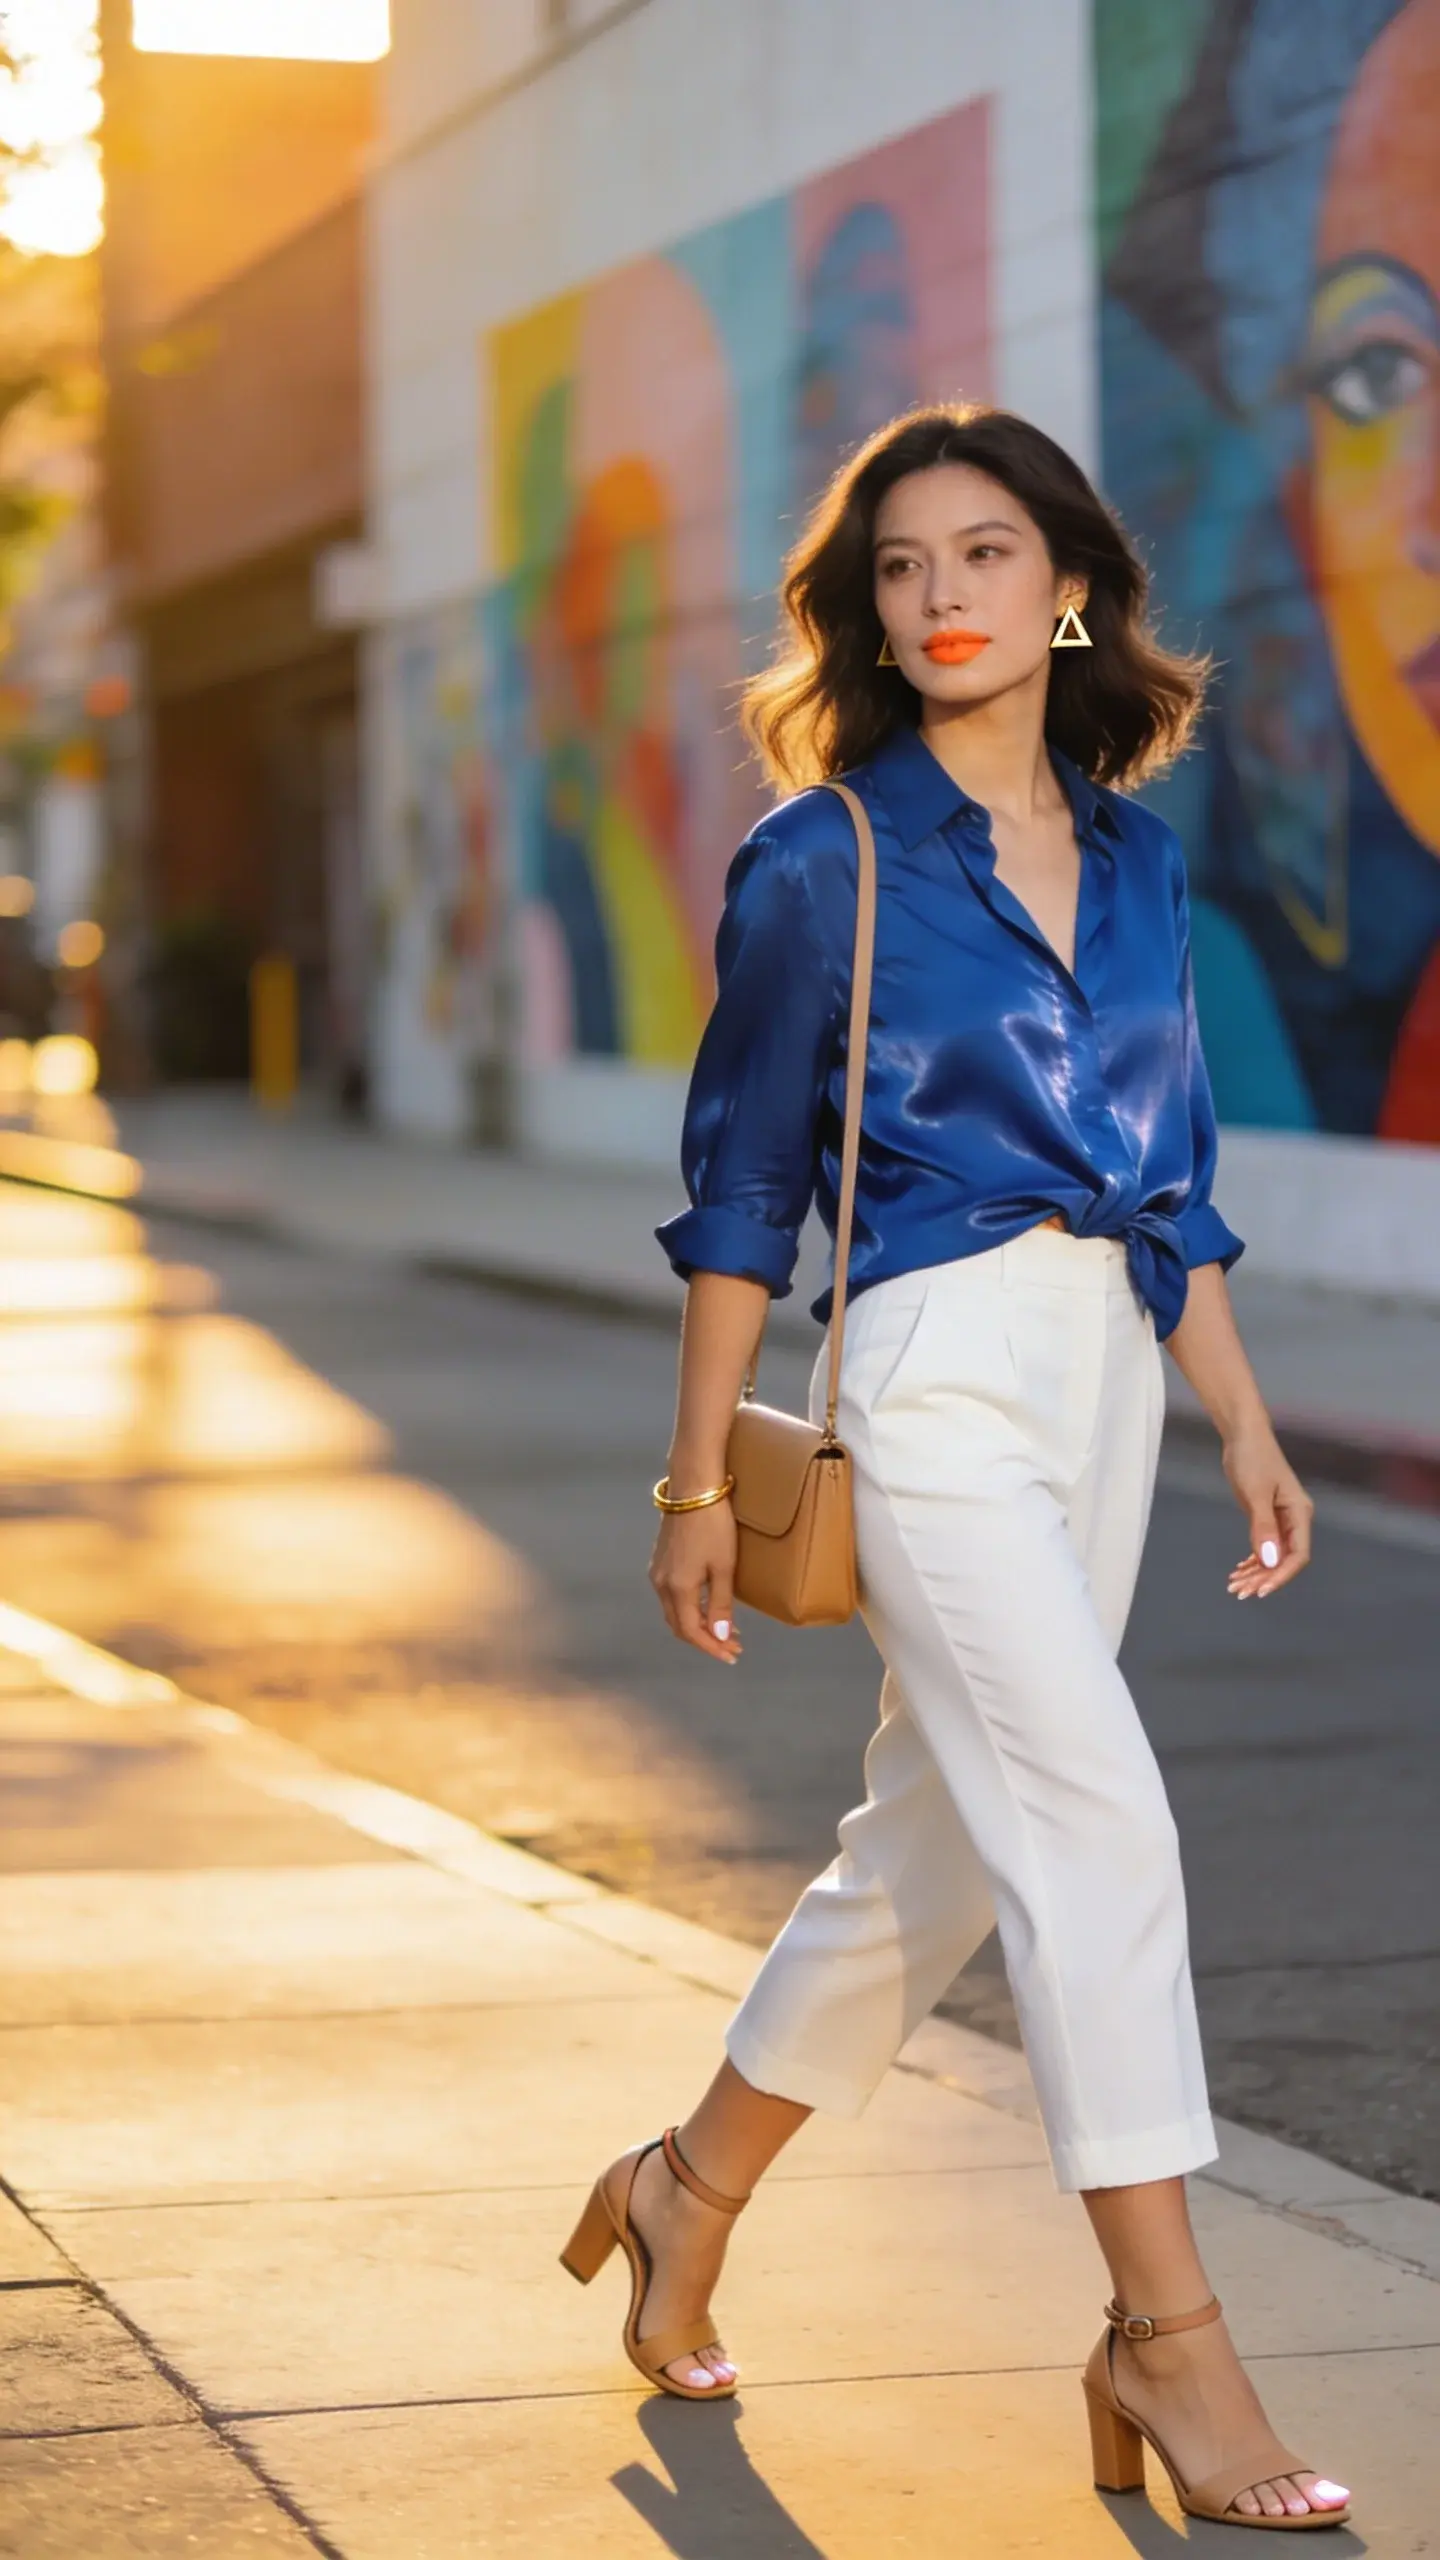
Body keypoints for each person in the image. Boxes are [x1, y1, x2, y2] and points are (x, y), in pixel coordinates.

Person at [559, 404, 1353, 2531]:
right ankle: (1168, 2336)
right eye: (901, 567)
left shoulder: (1144, 862)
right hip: (927, 1372)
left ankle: (682, 2186)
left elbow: (1165, 1178)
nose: (941, 598)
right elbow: (744, 1188)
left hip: (1105, 1372)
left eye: (984, 555)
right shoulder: (822, 856)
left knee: (934, 1851)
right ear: (870, 608)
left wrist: (1244, 1411)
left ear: (1065, 585)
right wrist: (696, 1481)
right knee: (1093, 1821)